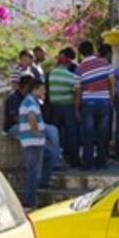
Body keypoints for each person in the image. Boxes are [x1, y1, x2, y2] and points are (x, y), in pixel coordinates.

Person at [78, 40, 115, 170]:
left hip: (88, 102)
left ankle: (88, 163)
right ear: (93, 50)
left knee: (88, 133)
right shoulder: (105, 63)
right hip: (104, 101)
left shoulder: (80, 67)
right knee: (103, 133)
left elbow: (78, 88)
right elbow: (111, 82)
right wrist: (110, 99)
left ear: (81, 52)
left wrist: (78, 106)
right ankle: (101, 161)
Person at [18, 77, 48, 210]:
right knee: (33, 172)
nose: (44, 91)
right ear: (35, 89)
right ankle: (31, 201)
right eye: (42, 89)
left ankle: (31, 199)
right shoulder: (31, 102)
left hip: (31, 140)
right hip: (33, 141)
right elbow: (31, 117)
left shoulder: (31, 101)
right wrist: (36, 132)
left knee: (32, 171)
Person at [48, 48, 81, 167]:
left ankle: (55, 160)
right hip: (68, 107)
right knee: (71, 134)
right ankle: (74, 160)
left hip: (54, 107)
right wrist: (77, 109)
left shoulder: (50, 74)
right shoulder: (71, 76)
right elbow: (77, 93)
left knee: (55, 135)